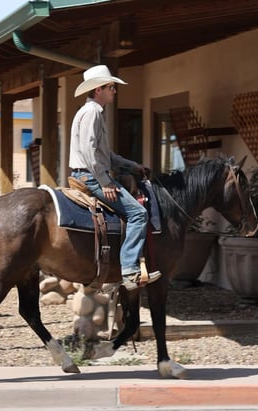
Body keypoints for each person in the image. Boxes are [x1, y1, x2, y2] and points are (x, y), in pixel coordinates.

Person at [69, 64, 161, 292]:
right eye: (111, 87)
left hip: (89, 174)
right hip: (91, 177)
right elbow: (89, 151)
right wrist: (105, 182)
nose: (114, 91)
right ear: (98, 89)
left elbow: (106, 155)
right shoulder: (92, 113)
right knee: (138, 213)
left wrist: (133, 166)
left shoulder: (92, 112)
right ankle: (129, 271)